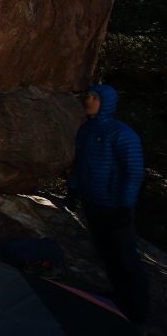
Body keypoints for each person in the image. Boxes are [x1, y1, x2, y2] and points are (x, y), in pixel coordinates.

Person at [68, 85, 148, 324]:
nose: (88, 100)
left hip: (114, 206)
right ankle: (119, 296)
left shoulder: (121, 133)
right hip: (93, 202)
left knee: (125, 256)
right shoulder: (86, 130)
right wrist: (73, 188)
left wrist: (125, 206)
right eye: (88, 96)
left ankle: (138, 310)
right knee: (106, 253)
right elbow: (79, 163)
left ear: (107, 103)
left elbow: (134, 171)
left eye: (94, 97)